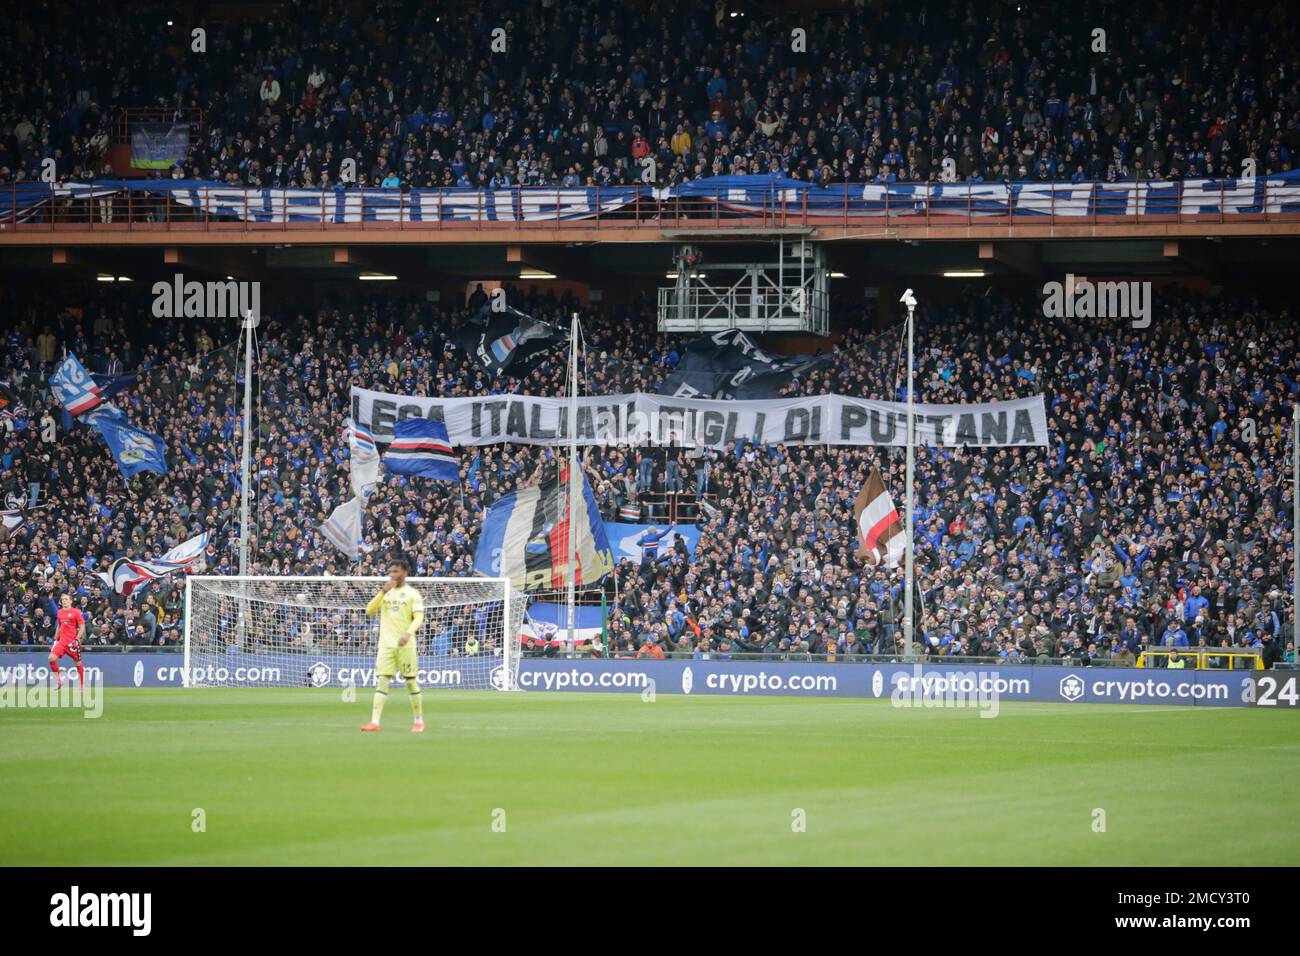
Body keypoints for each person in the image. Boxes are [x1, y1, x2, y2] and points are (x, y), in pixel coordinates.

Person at [360, 557, 426, 733]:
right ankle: (374, 722)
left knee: (411, 682)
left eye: (396, 571)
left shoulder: (413, 594)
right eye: (390, 572)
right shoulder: (385, 593)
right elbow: (369, 611)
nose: (392, 575)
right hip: (386, 645)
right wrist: (382, 592)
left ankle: (419, 721)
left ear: (405, 572)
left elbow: (419, 617)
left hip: (406, 646)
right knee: (382, 682)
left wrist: (407, 633)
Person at [49, 593, 86, 689]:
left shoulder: (76, 612)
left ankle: (82, 685)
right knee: (51, 658)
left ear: (70, 601)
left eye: (66, 599)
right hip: (62, 642)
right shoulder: (60, 612)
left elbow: (82, 627)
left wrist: (77, 639)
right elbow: (59, 626)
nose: (64, 601)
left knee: (78, 663)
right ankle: (59, 681)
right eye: (63, 599)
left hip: (72, 643)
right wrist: (55, 638)